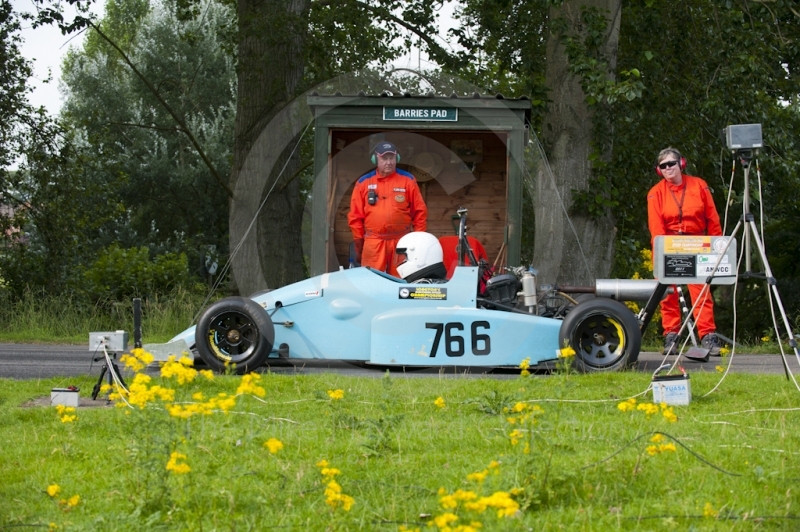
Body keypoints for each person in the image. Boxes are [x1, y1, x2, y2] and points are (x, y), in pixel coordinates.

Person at [647, 147, 723, 357]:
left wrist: (717, 246)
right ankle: (671, 335)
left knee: (701, 292)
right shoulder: (655, 193)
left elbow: (713, 218)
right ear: (659, 170)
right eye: (663, 166)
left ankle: (708, 335)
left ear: (681, 163)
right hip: (668, 243)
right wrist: (661, 252)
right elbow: (655, 227)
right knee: (667, 293)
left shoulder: (699, 185)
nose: (668, 168)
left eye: (671, 163)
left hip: (697, 243)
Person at [348, 141, 428, 276]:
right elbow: (355, 217)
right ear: (375, 159)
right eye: (384, 158)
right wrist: (359, 244)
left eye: (392, 158)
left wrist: (418, 241)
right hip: (373, 241)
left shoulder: (408, 180)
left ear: (397, 158)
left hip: (401, 241)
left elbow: (420, 212)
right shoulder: (363, 183)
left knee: (402, 280)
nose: (389, 162)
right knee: (370, 280)